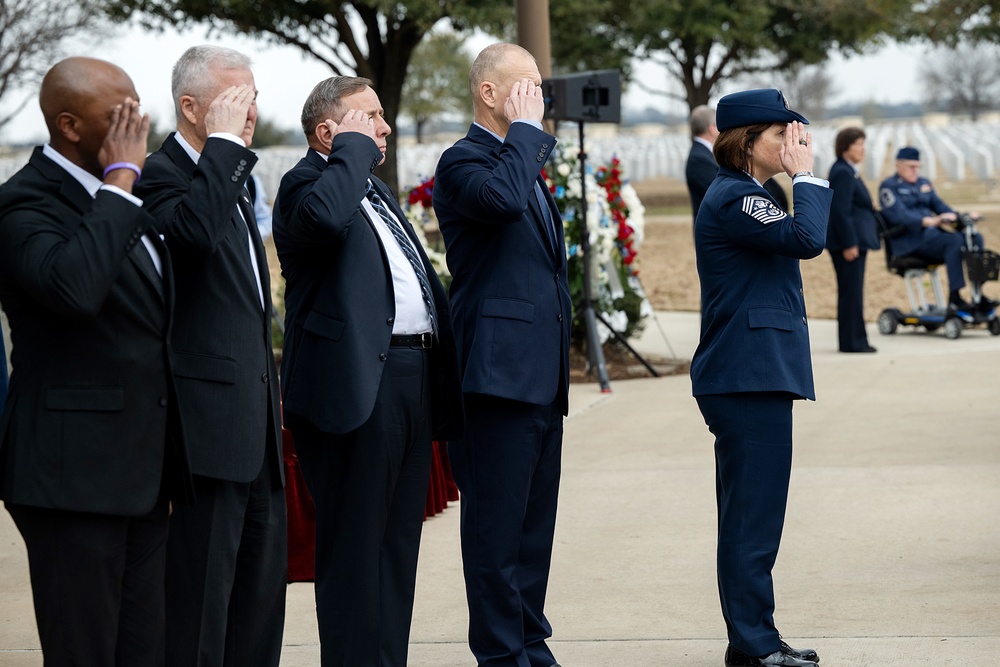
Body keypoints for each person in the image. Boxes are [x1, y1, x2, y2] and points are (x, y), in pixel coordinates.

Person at [0, 57, 192, 665]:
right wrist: (118, 184)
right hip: (71, 480)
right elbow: (74, 290)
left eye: (138, 107)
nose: (136, 125)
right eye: (120, 114)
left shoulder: (123, 194)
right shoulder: (22, 204)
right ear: (69, 126)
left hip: (143, 475)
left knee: (145, 651)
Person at [271, 76, 463, 666]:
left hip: (410, 376)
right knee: (355, 551)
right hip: (355, 386)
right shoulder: (304, 185)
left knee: (397, 546)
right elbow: (326, 222)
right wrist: (349, 152)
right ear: (327, 132)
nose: (383, 127)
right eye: (370, 118)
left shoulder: (375, 190)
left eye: (382, 116)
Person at [134, 45, 286, 667]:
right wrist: (223, 148)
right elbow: (190, 241)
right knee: (200, 613)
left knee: (257, 611)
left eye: (252, 96)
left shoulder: (233, 172)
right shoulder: (160, 175)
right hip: (205, 435)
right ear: (190, 106)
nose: (249, 110)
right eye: (234, 98)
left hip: (257, 430)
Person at [432, 43, 572, 667]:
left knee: (533, 530)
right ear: (489, 93)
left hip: (539, 375)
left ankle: (530, 645)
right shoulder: (461, 162)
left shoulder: (522, 160)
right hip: (495, 376)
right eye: (526, 87)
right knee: (496, 531)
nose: (538, 100)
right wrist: (524, 133)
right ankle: (500, 654)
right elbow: (502, 203)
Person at [691, 89, 831, 667]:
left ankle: (756, 637)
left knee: (756, 515)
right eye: (781, 135)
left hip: (754, 374)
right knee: (752, 520)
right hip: (746, 377)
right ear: (747, 143)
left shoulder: (751, 194)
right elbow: (808, 240)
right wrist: (810, 179)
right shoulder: (736, 198)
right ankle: (752, 644)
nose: (792, 145)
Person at [879, 146, 983, 310]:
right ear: (898, 166)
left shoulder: (924, 183)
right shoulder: (889, 187)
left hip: (931, 238)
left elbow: (940, 206)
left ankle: (978, 294)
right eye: (911, 167)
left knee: (975, 237)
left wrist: (962, 216)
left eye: (918, 167)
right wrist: (928, 221)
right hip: (909, 241)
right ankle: (955, 297)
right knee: (953, 241)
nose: (916, 170)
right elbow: (899, 215)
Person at [827, 127, 880, 353]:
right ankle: (852, 342)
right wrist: (849, 243)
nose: (862, 149)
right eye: (858, 144)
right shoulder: (842, 171)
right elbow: (840, 211)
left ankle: (856, 339)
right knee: (851, 292)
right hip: (847, 244)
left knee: (854, 291)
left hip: (853, 241)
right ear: (845, 147)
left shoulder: (849, 170)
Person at [686, 104, 719, 222]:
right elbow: (717, 194)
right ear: (711, 128)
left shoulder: (704, 153)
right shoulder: (699, 158)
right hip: (710, 228)